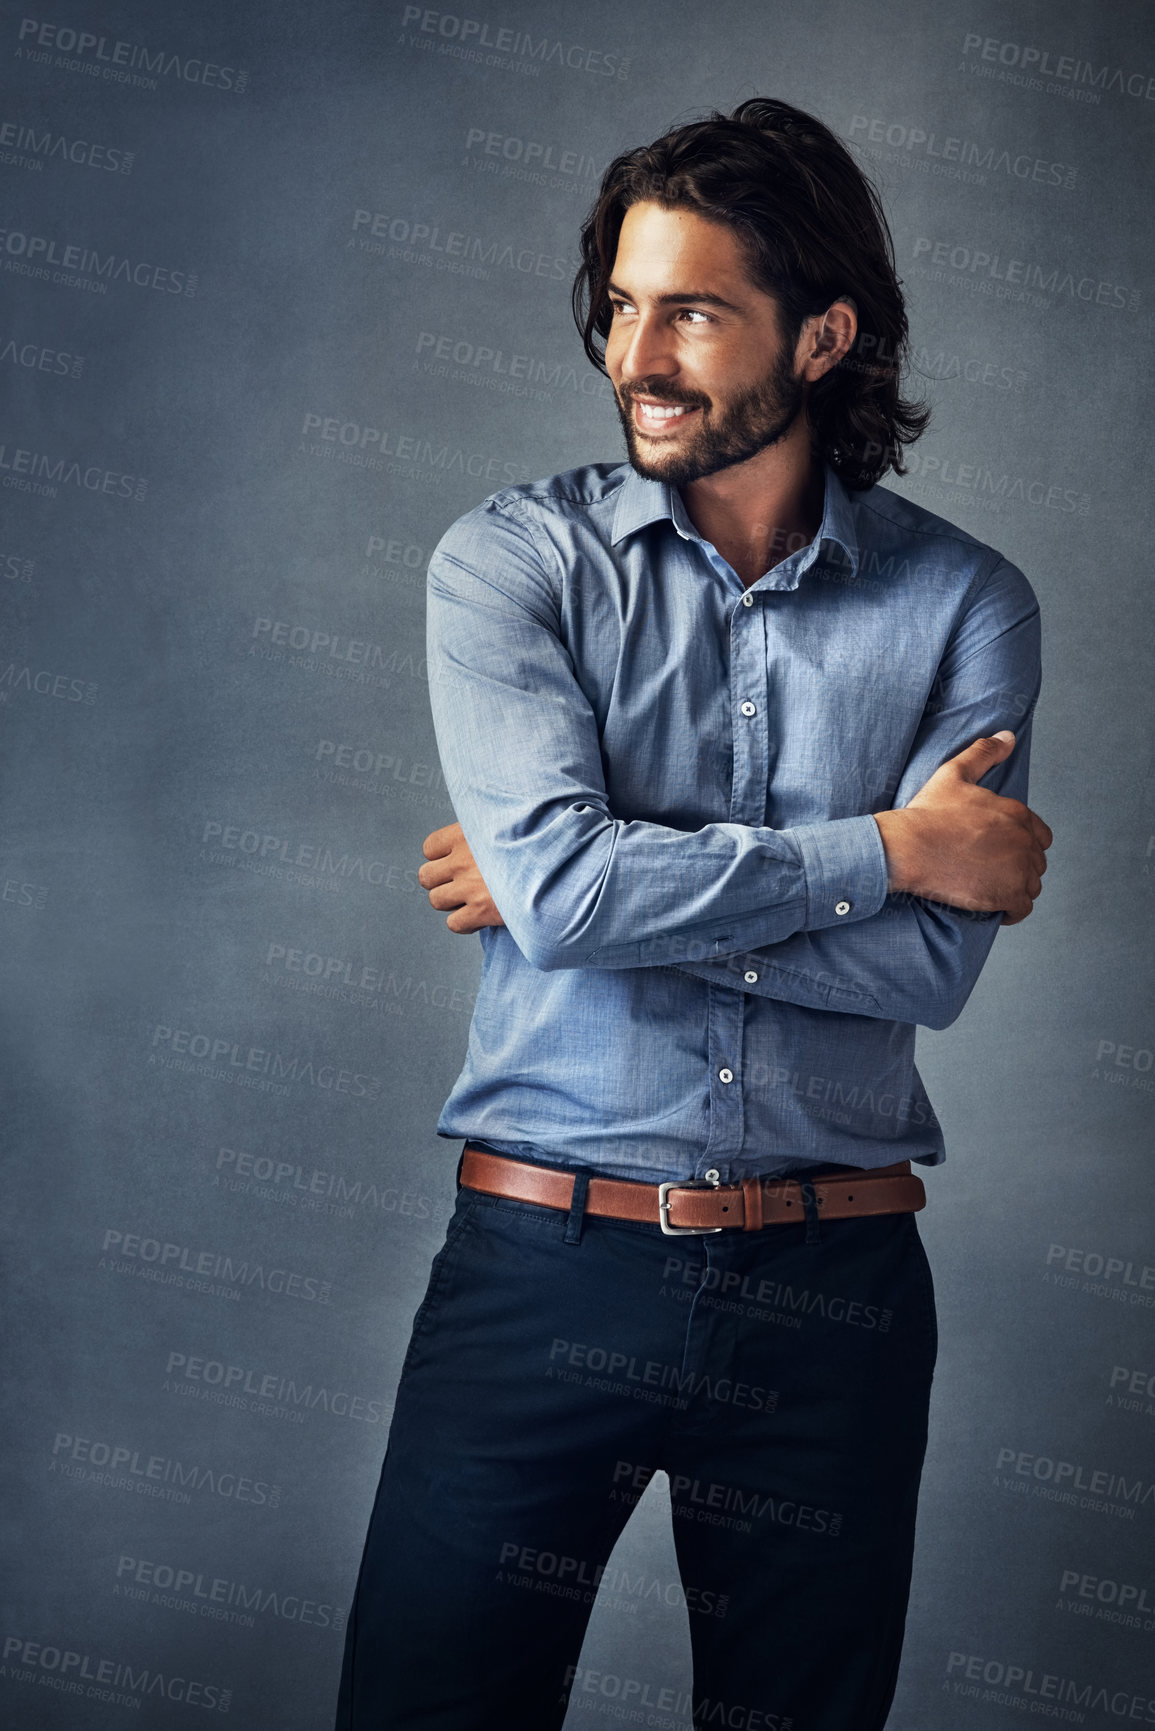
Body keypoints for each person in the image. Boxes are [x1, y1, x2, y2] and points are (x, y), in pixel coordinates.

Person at [335, 97, 1051, 1730]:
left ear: (824, 335)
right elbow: (585, 897)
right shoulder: (512, 563)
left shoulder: (966, 604)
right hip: (541, 1268)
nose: (635, 353)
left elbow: (934, 968)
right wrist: (884, 846)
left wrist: (578, 881)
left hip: (838, 1296)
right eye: (619, 305)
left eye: (693, 310)